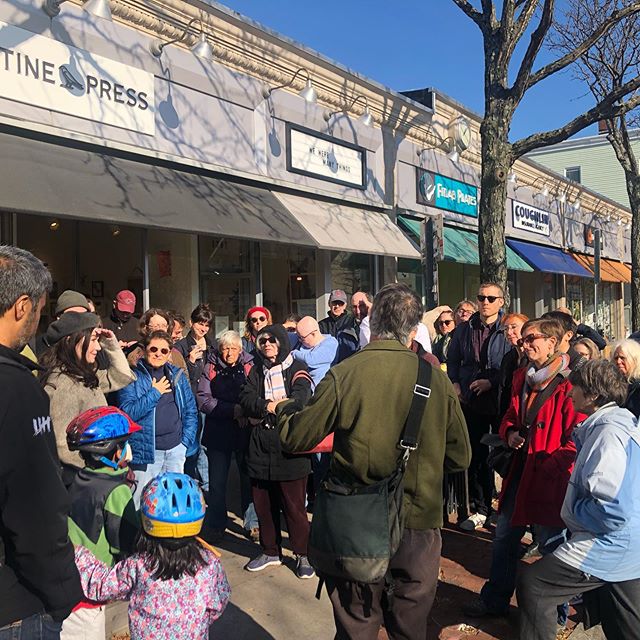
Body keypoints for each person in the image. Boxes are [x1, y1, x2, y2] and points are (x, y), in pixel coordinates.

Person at [277, 283, 471, 640]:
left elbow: (295, 437)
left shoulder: (347, 372)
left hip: (356, 523)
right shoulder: (436, 380)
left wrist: (287, 407)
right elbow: (461, 457)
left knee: (357, 625)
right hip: (419, 523)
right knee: (410, 628)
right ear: (414, 330)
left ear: (373, 320)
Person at [463, 318, 583, 620]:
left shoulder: (571, 384)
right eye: (524, 338)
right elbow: (509, 417)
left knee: (551, 544)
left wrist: (553, 466)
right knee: (504, 537)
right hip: (519, 473)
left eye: (532, 339)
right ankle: (495, 601)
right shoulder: (521, 377)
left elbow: (577, 438)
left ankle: (555, 614)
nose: (524, 343)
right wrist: (509, 433)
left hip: (548, 480)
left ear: (552, 343)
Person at [518, 360, 640, 640]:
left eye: (575, 387)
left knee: (535, 585)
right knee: (624, 621)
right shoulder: (619, 423)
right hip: (629, 543)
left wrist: (574, 512)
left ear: (594, 395)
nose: (569, 393)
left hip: (611, 542)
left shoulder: (607, 433)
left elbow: (613, 510)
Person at [0, 245, 83, 638]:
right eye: (39, 310)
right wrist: (64, 591)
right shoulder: (17, 390)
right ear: (21, 306)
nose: (38, 320)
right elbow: (36, 507)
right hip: (15, 600)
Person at [73, 472, 230, 640]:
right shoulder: (210, 564)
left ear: (146, 523)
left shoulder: (139, 565)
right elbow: (218, 603)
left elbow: (101, 585)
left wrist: (77, 552)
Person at [239, 324, 314, 578]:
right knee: (263, 506)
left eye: (272, 340)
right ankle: (270, 551)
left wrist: (267, 408)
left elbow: (300, 400)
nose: (267, 344)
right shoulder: (256, 372)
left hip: (289, 448)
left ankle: (303, 555)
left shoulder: (297, 367)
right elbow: (246, 400)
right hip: (260, 448)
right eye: (263, 341)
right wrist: (269, 405)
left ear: (282, 342)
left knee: (294, 508)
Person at [62, 407, 140, 640]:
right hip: (89, 598)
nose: (128, 449)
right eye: (124, 443)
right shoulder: (116, 492)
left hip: (69, 582)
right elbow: (126, 545)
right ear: (113, 452)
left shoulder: (74, 478)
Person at [40, 312, 135, 485]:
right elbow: (60, 445)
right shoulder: (64, 384)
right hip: (81, 482)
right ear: (70, 341)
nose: (98, 347)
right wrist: (93, 471)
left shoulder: (83, 375)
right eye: (92, 340)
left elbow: (122, 376)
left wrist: (111, 346)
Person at [447, 283, 512, 530]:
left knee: (503, 455)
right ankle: (481, 508)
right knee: (475, 454)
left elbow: (510, 366)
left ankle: (503, 509)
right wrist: (455, 383)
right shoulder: (464, 329)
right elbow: (453, 359)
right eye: (481, 297)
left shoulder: (507, 329)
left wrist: (491, 382)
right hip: (470, 400)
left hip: (498, 401)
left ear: (500, 302)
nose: (485, 302)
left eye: (490, 298)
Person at [117, 331, 198, 505]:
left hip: (175, 450)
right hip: (147, 453)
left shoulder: (177, 375)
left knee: (172, 503)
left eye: (163, 350)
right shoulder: (132, 376)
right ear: (145, 350)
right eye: (153, 349)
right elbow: (127, 413)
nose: (158, 354)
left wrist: (185, 443)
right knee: (140, 503)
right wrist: (154, 393)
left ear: (169, 353)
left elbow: (191, 410)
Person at [197, 330, 259, 542]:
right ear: (219, 350)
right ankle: (216, 524)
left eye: (233, 348)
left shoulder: (251, 366)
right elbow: (204, 400)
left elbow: (256, 395)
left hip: (244, 432)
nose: (229, 353)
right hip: (218, 433)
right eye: (225, 349)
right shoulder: (210, 367)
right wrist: (234, 411)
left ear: (240, 350)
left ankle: (252, 523)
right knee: (217, 483)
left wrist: (246, 411)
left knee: (248, 480)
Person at [174, 304, 215, 490]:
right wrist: (190, 361)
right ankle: (190, 482)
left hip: (208, 400)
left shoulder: (213, 344)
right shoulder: (180, 347)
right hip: (190, 401)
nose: (203, 328)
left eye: (206, 324)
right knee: (191, 445)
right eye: (200, 323)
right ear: (191, 323)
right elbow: (179, 377)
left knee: (206, 444)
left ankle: (206, 484)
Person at [35, 290, 91, 357]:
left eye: (84, 316)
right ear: (59, 318)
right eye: (73, 316)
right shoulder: (40, 346)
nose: (79, 321)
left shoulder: (94, 347)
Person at [497, 312, 529, 418]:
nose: (509, 332)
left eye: (514, 327)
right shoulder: (508, 358)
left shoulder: (534, 358)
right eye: (506, 329)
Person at [319, 290, 359, 362]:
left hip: (348, 363)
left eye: (340, 303)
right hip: (328, 365)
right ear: (329, 304)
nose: (337, 306)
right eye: (334, 303)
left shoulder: (353, 321)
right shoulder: (321, 325)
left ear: (345, 305)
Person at [612, 338, 640, 418]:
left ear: (634, 359)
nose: (618, 362)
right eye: (616, 358)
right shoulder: (612, 384)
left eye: (622, 358)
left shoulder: (637, 388)